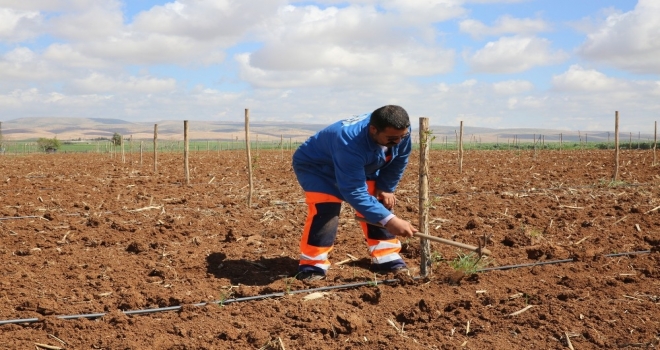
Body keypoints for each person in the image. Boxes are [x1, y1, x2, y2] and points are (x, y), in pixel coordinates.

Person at [292, 105, 418, 281]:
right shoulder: (349, 142)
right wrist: (390, 220)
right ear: (373, 130)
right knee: (326, 209)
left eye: (401, 137)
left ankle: (386, 257)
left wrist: (386, 187)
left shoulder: (399, 130)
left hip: (363, 164)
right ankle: (313, 264)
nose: (398, 142)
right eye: (391, 138)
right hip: (319, 168)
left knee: (377, 199)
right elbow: (354, 191)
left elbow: (400, 158)